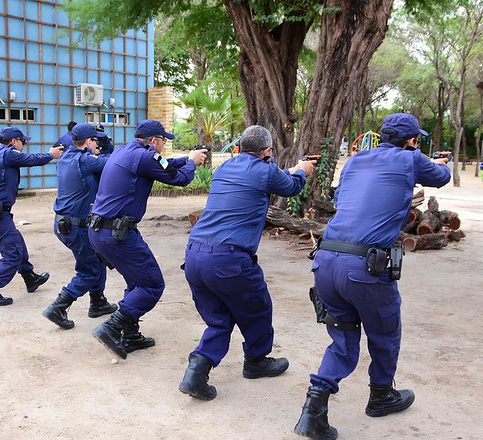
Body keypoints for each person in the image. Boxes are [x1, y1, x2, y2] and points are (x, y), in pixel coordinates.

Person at [294, 113, 451, 440]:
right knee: (384, 331)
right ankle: (381, 397)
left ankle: (314, 407)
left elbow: (343, 200)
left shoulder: (355, 160)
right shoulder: (409, 158)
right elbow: (442, 176)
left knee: (342, 337)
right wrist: (434, 161)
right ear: (411, 141)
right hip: (363, 268)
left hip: (326, 261)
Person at [178, 125, 315, 400]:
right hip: (228, 259)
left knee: (219, 318)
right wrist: (302, 169)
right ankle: (255, 361)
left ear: (239, 148)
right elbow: (291, 186)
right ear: (267, 152)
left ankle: (196, 371)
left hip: (194, 255)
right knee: (258, 307)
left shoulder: (224, 170)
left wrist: (282, 168)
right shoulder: (265, 171)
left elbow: (267, 178)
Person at [88, 119, 207, 358]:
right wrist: (193, 164)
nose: (164, 145)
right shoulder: (146, 157)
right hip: (117, 233)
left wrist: (187, 158)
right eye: (163, 140)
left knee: (136, 281)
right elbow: (179, 179)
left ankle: (130, 336)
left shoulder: (126, 150)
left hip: (101, 231)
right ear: (154, 141)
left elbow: (165, 164)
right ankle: (112, 327)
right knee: (152, 284)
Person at [0, 127, 62, 306]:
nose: (25, 144)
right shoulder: (7, 153)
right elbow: (31, 159)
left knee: (17, 242)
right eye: (24, 141)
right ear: (14, 141)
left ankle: (30, 277)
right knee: (12, 252)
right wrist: (51, 154)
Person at [43, 122, 116, 328]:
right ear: (89, 141)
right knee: (89, 270)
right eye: (96, 140)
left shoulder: (67, 156)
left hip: (66, 223)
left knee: (98, 260)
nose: (98, 144)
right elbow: (112, 162)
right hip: (77, 226)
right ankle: (58, 306)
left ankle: (98, 302)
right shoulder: (85, 160)